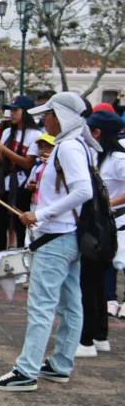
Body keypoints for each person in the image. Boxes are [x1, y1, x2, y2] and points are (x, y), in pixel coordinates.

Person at [0, 92, 92, 392]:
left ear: (61, 116)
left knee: (42, 306)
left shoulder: (68, 147)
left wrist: (40, 214)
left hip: (57, 236)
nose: (44, 119)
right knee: (70, 303)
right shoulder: (77, 145)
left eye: (48, 114)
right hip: (68, 234)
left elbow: (83, 191)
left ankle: (26, 370)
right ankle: (60, 364)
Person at [77, 111, 124, 356]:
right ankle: (99, 336)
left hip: (109, 226)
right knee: (95, 283)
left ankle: (86, 340)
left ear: (97, 133)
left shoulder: (118, 159)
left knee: (89, 282)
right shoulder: (96, 155)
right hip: (98, 224)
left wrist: (106, 203)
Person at [0, 96, 39, 252]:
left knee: (20, 223)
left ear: (26, 112)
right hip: (5, 181)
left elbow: (27, 163)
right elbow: (2, 160)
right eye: (11, 110)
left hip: (23, 184)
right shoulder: (7, 131)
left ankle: (21, 254)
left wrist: (4, 150)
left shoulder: (35, 135)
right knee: (0, 222)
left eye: (16, 110)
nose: (12, 113)